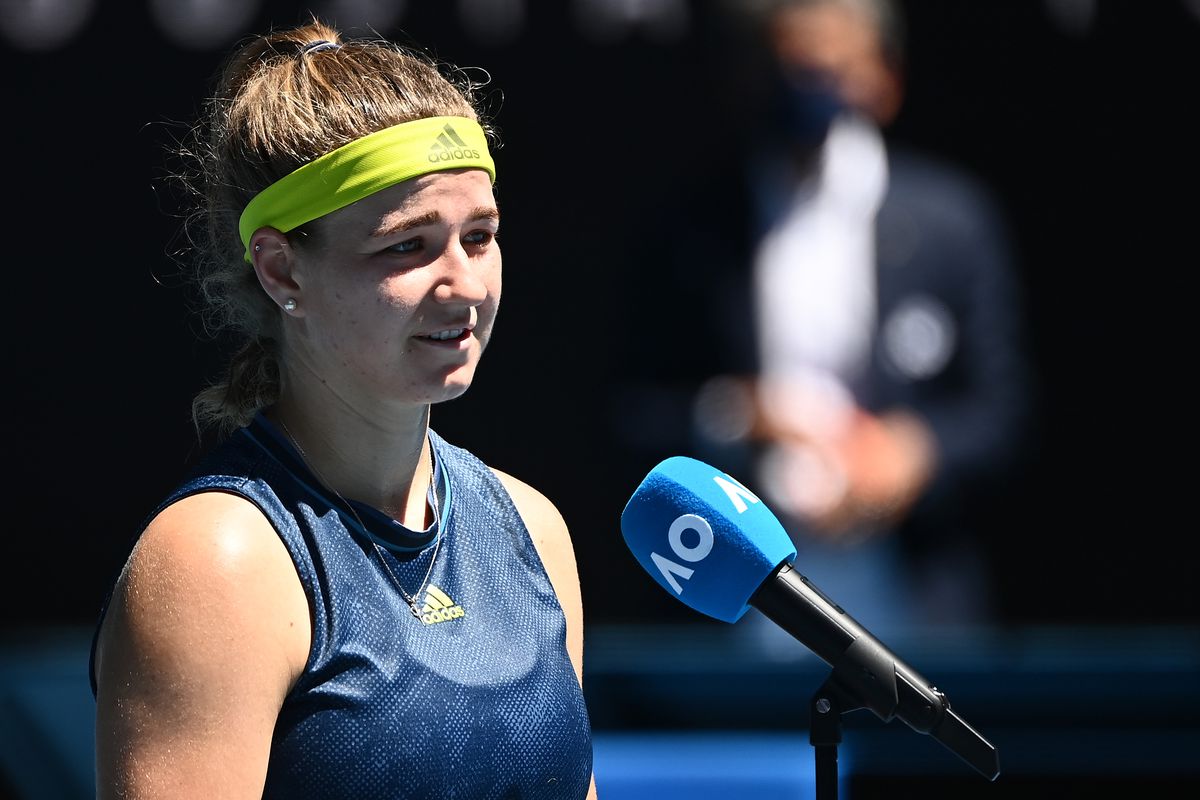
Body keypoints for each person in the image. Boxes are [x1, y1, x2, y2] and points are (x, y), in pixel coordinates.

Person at [88, 18, 596, 799]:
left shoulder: (533, 530)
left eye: (480, 236)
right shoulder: (217, 563)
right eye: (406, 246)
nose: (465, 285)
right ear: (283, 271)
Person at [693, 0, 1035, 645]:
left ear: (883, 77)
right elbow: (639, 407)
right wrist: (741, 415)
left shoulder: (951, 222)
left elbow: (1000, 410)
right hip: (746, 593)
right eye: (790, 67)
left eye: (829, 69)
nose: (808, 90)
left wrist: (914, 452)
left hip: (913, 591)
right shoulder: (697, 227)